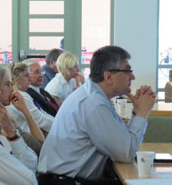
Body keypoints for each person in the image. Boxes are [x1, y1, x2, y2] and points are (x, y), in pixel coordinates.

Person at [37, 46, 156, 182]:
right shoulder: (94, 103)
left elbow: (123, 141)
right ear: (108, 77)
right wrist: (142, 113)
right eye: (128, 71)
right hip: (63, 181)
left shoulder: (96, 96)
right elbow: (126, 153)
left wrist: (136, 112)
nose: (132, 76)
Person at [0, 65, 45, 155]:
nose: (12, 89)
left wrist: (24, 109)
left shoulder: (3, 114)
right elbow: (40, 146)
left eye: (11, 84)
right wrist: (26, 111)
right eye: (7, 85)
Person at [8, 62, 55, 135]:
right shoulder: (20, 96)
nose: (29, 79)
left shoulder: (24, 94)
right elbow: (40, 120)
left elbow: (43, 113)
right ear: (16, 78)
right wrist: (60, 126)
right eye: (26, 76)